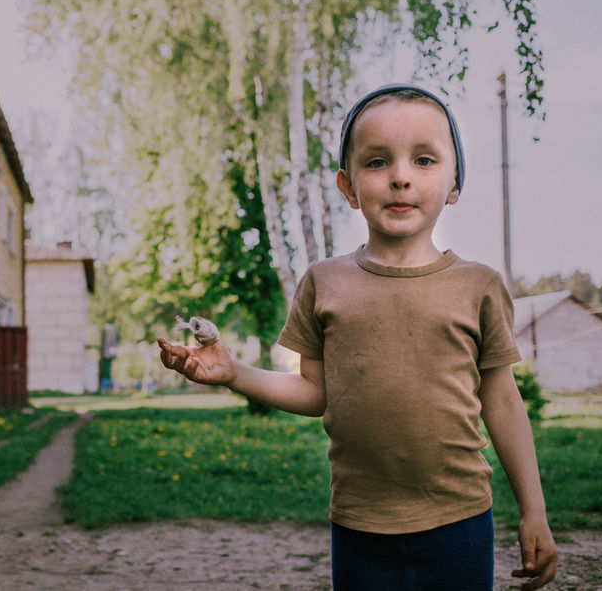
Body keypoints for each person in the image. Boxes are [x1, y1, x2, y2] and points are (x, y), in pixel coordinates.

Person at [157, 83, 557, 590]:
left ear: (455, 182)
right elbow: (315, 391)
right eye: (377, 162)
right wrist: (236, 374)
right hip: (358, 526)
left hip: (460, 521)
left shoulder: (478, 286)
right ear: (348, 187)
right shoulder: (324, 282)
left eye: (425, 160)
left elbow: (501, 400)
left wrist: (534, 512)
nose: (400, 178)